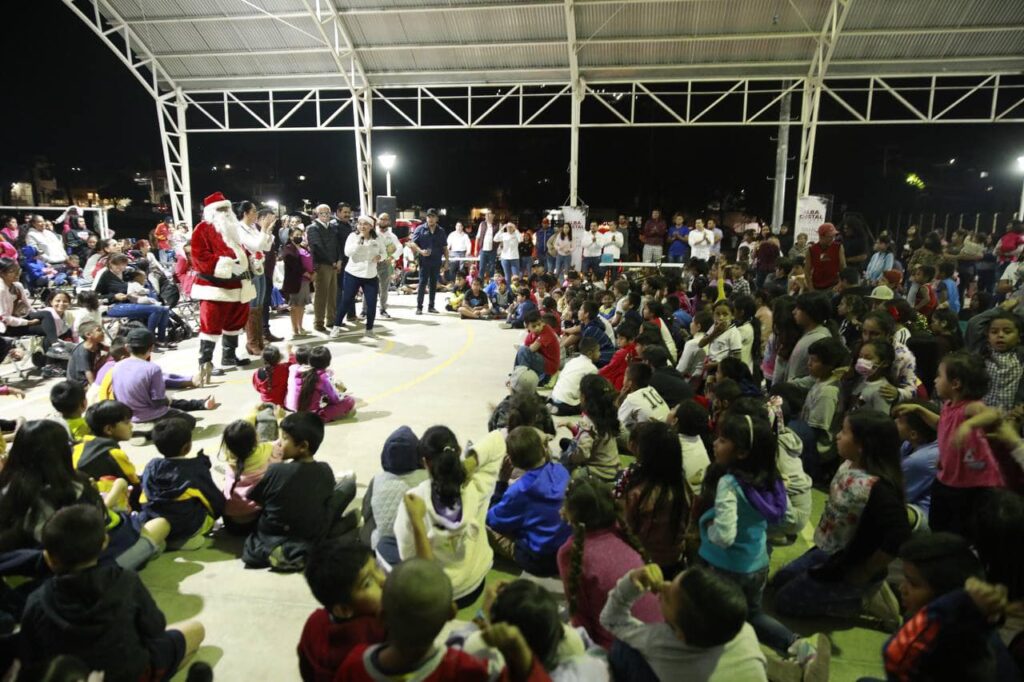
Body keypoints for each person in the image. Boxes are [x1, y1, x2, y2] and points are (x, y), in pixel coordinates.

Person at [17, 504, 205, 682]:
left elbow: (31, 657)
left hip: (74, 677)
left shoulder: (37, 601)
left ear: (49, 558)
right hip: (134, 674)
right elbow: (155, 627)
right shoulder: (125, 580)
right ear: (104, 543)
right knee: (196, 629)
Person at [772, 411, 911, 631]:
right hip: (830, 550)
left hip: (849, 564)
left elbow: (899, 535)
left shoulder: (879, 489)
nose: (837, 436)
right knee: (778, 582)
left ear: (863, 445)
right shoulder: (849, 463)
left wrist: (865, 570)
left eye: (844, 432)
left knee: (785, 602)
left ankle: (861, 600)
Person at [698, 412, 813, 661]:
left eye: (722, 440)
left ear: (741, 453)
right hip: (757, 563)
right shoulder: (770, 480)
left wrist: (709, 532)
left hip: (724, 567)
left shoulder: (729, 483)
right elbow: (787, 518)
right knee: (752, 613)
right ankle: (796, 646)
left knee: (717, 619)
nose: (715, 443)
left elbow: (726, 536)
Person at [337, 558, 549, 681]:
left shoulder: (353, 665)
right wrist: (522, 654)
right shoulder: (469, 668)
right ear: (452, 613)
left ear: (382, 618)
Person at [892, 352, 1004, 538]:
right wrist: (919, 409)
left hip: (968, 485)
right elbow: (941, 424)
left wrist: (969, 424)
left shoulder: (970, 406)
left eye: (939, 376)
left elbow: (992, 414)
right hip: (947, 478)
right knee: (939, 523)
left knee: (958, 529)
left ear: (955, 383)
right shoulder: (949, 405)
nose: (935, 380)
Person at [394, 426, 505, 608]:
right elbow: (498, 440)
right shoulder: (476, 485)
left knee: (385, 545)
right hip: (475, 581)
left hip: (443, 593)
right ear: (459, 451)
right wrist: (471, 462)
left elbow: (408, 556)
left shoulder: (414, 501)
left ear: (425, 462)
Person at [601, 563, 767, 681]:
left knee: (623, 648)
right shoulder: (745, 632)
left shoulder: (659, 643)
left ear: (680, 635)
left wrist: (630, 581)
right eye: (672, 581)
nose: (663, 586)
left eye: (666, 598)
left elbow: (611, 619)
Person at [243, 412, 357, 571]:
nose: (279, 443)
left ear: (303, 446)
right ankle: (332, 531)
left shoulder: (276, 470)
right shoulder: (325, 471)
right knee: (348, 484)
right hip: (309, 532)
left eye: (284, 438)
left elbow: (257, 499)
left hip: (271, 533)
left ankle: (280, 549)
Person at [557, 477, 660, 650]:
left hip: (622, 653)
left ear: (570, 512)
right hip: (659, 638)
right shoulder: (624, 533)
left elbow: (581, 619)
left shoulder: (571, 552)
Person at [486, 426, 572, 577]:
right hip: (566, 552)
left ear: (511, 460)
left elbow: (493, 520)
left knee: (483, 525)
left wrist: (501, 483)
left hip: (539, 561)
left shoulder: (519, 491)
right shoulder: (561, 470)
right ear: (543, 448)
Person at [298, 538, 387, 682]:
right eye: (368, 583)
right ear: (344, 610)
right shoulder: (381, 629)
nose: (383, 580)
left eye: (377, 567)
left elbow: (306, 669)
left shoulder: (314, 622)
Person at [190, 191, 256, 377]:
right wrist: (226, 265)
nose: (225, 212)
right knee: (211, 323)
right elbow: (199, 257)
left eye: (227, 208)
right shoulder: (203, 229)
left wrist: (251, 261)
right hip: (214, 286)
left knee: (235, 322)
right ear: (211, 211)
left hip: (238, 284)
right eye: (221, 209)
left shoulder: (233, 228)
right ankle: (205, 362)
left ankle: (229, 355)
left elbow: (241, 250)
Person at [139, 418, 224, 550]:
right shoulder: (195, 469)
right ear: (187, 447)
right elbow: (213, 499)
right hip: (185, 526)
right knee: (208, 514)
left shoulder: (152, 465)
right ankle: (184, 539)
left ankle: (162, 539)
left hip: (155, 520)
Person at [109, 328, 217, 430]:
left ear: (127, 347)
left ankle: (138, 429)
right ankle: (148, 430)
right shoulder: (152, 369)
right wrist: (168, 401)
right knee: (189, 421)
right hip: (151, 416)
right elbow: (158, 402)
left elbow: (116, 396)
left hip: (128, 417)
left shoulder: (116, 367)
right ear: (151, 348)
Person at [360, 426, 428, 566]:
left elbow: (365, 512)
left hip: (385, 549)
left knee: (369, 519)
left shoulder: (377, 480)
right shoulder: (427, 478)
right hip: (421, 547)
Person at [72, 400, 140, 505]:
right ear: (108, 429)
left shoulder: (78, 446)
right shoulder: (114, 454)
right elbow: (135, 483)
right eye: (126, 423)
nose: (131, 426)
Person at [221, 418, 281, 534]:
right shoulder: (269, 452)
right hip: (255, 522)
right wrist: (280, 420)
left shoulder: (230, 460)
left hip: (230, 522)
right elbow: (281, 443)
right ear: (256, 439)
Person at [332, 215, 386, 339]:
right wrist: (359, 241)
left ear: (371, 226)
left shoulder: (378, 238)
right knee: (346, 300)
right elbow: (347, 253)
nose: (362, 226)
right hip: (353, 273)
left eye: (365, 224)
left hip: (370, 275)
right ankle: (336, 326)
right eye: (360, 223)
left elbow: (384, 253)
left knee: (372, 303)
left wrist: (380, 257)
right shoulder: (353, 237)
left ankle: (369, 329)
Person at [559, 374, 621, 482]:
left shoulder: (588, 422)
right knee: (566, 443)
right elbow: (592, 436)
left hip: (599, 472)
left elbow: (583, 453)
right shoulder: (607, 414)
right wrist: (573, 428)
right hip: (613, 467)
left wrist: (570, 457)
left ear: (583, 397)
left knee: (566, 468)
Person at [894, 399, 939, 527]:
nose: (894, 422)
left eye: (900, 421)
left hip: (926, 514)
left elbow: (898, 495)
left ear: (914, 434)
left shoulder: (919, 460)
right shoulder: (910, 443)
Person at [286, 345, 356, 422]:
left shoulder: (299, 372)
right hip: (312, 415)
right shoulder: (324, 378)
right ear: (328, 362)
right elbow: (335, 399)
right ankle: (322, 417)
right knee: (349, 401)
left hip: (296, 410)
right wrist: (342, 393)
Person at [784, 292, 834, 383]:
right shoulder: (807, 333)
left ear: (809, 312)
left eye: (798, 309)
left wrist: (793, 384)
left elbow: (819, 375)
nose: (794, 312)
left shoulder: (820, 338)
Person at [307, 204, 341, 333]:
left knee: (332, 294)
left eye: (327, 213)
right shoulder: (312, 228)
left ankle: (331, 319)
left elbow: (337, 245)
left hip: (333, 264)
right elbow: (317, 247)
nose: (325, 215)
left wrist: (339, 260)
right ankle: (318, 321)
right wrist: (332, 261)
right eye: (322, 213)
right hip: (321, 264)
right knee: (321, 294)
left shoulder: (332, 227)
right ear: (317, 214)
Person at [409, 209, 448, 315]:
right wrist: (421, 251)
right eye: (428, 217)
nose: (430, 219)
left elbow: (445, 247)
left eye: (433, 217)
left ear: (437, 218)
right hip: (424, 261)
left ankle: (431, 306)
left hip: (436, 261)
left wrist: (447, 261)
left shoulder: (441, 231)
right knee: (422, 283)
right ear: (426, 218)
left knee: (433, 284)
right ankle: (419, 307)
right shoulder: (420, 229)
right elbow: (412, 243)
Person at [548, 336, 599, 416]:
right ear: (590, 353)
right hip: (567, 403)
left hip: (555, 396)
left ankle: (553, 405)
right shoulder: (592, 369)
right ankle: (560, 410)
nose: (600, 354)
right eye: (598, 351)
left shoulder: (572, 361)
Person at [280, 225, 315, 338]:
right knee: (295, 306)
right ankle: (295, 328)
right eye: (296, 235)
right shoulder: (288, 248)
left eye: (301, 235)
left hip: (306, 281)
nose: (299, 237)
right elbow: (293, 264)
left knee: (302, 305)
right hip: (295, 281)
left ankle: (301, 326)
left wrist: (313, 273)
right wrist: (306, 273)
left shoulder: (304, 248)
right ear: (290, 236)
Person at [512, 310, 560, 385]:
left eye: (539, 324)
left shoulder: (547, 331)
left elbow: (532, 349)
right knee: (522, 351)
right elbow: (526, 350)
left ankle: (523, 379)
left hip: (550, 365)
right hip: (541, 361)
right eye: (534, 326)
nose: (537, 328)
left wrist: (522, 349)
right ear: (527, 327)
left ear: (543, 322)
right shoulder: (531, 335)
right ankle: (518, 375)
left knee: (523, 350)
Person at [375, 212, 402, 319]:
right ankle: (365, 310)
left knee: (384, 289)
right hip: (372, 265)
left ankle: (383, 309)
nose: (383, 221)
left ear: (389, 222)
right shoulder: (372, 233)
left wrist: (392, 257)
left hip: (385, 265)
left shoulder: (392, 236)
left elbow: (400, 247)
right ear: (378, 220)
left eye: (386, 219)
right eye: (381, 219)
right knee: (369, 288)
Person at [805, 223, 846, 291]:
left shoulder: (838, 247)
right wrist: (810, 288)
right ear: (821, 236)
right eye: (830, 236)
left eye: (834, 236)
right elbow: (807, 271)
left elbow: (843, 267)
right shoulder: (811, 250)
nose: (833, 239)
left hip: (833, 285)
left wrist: (840, 284)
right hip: (816, 286)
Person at [66, 320, 106, 387]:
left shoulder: (96, 344)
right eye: (99, 330)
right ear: (88, 335)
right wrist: (94, 389)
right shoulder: (82, 352)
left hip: (90, 373)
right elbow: (88, 372)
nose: (102, 332)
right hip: (79, 383)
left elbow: (112, 349)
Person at [476, 209, 500, 280]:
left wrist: (499, 249)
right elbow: (478, 237)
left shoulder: (498, 225)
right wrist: (476, 250)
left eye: (489, 214)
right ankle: (480, 283)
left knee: (492, 268)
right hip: (483, 249)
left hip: (493, 250)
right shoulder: (482, 224)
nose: (487, 216)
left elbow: (500, 239)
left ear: (493, 216)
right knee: (481, 267)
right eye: (486, 215)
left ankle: (491, 283)